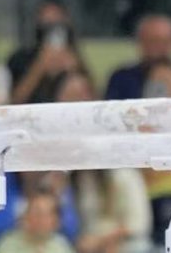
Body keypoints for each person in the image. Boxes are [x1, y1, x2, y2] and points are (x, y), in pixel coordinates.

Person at [59, 73, 152, 253]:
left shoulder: (122, 171)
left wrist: (105, 240)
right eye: (69, 96)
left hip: (126, 245)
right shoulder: (71, 176)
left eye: (81, 95)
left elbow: (139, 223)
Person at [103, 14, 171, 101]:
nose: (159, 47)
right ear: (141, 42)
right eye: (153, 41)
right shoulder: (122, 79)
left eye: (165, 41)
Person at [8, 2, 88, 104]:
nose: (53, 29)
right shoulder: (21, 58)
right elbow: (15, 101)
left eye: (58, 23)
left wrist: (75, 69)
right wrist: (40, 66)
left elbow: (94, 99)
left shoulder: (74, 55)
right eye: (47, 24)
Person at [0, 190, 78, 253]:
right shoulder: (9, 244)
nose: (40, 219)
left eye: (45, 214)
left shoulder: (61, 246)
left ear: (56, 221)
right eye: (35, 212)